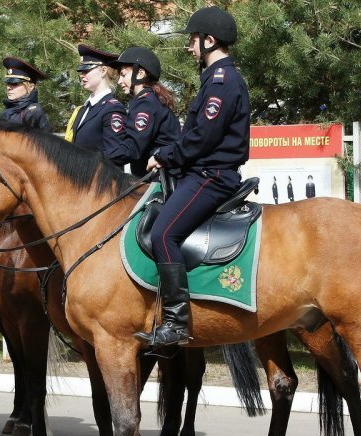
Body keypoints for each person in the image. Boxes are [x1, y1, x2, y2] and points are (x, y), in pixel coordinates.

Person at [135, 6, 250, 349]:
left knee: (164, 233)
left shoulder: (222, 82)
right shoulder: (216, 80)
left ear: (209, 40)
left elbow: (201, 137)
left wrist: (163, 155)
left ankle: (176, 322)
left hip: (211, 177)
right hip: (201, 173)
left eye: (192, 40)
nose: (189, 47)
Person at [105, 47, 180, 177]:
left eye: (123, 75)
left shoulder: (145, 103)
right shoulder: (149, 99)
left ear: (140, 73)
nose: (119, 81)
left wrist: (98, 158)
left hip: (162, 178)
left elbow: (132, 148)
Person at [65, 44, 126, 157]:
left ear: (103, 71)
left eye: (86, 71)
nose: (82, 75)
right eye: (81, 72)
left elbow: (115, 154)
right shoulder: (83, 109)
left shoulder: (113, 109)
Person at [0, 57, 51, 131]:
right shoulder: (7, 111)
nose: (8, 88)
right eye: (8, 83)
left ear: (31, 87)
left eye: (15, 84)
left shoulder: (33, 112)